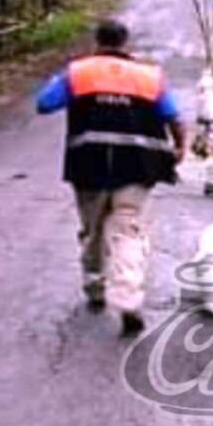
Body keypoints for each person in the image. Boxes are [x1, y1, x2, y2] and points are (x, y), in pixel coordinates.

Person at [36, 18, 187, 336]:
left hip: (88, 165)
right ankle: (129, 299)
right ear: (125, 43)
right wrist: (180, 147)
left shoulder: (78, 73)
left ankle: (95, 289)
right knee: (128, 230)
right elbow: (174, 117)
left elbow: (44, 104)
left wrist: (68, 78)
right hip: (137, 166)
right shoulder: (149, 77)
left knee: (92, 230)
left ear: (97, 42)